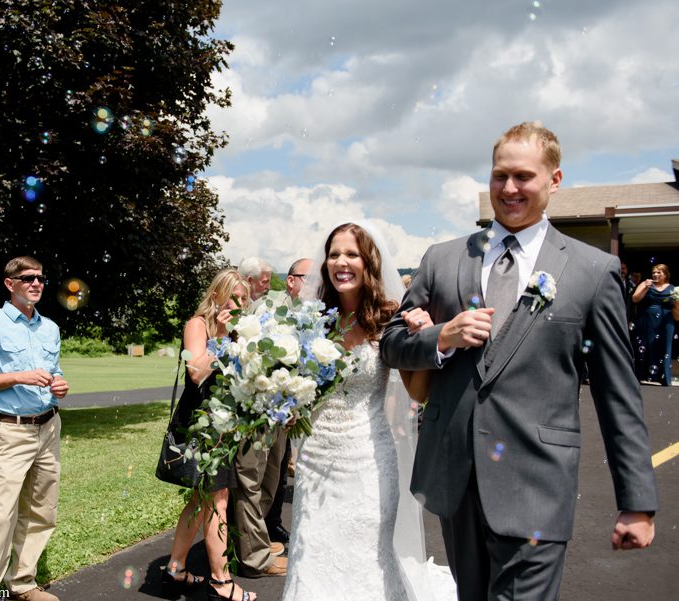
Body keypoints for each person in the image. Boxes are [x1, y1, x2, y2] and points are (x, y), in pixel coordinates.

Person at [381, 122, 658, 600]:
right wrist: (440, 338)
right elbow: (390, 342)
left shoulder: (593, 271)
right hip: (456, 479)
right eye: (499, 175)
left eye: (523, 177)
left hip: (538, 485)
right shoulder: (443, 259)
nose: (509, 188)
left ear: (554, 180)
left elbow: (618, 393)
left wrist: (637, 501)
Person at [280, 223, 455, 601]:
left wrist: (425, 340)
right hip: (315, 460)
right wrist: (286, 406)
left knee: (368, 558)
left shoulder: (390, 318)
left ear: (369, 262)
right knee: (313, 553)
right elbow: (295, 384)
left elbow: (417, 392)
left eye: (351, 254)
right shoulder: (311, 320)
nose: (341, 262)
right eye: (334, 254)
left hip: (370, 459)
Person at [0, 256, 69, 601]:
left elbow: (54, 370)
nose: (36, 283)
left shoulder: (50, 328)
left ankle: (22, 583)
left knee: (42, 511)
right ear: (10, 284)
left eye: (41, 278)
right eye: (28, 278)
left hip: (49, 426)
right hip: (12, 431)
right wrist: (19, 376)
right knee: (2, 515)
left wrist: (60, 384)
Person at [162, 268, 256, 601]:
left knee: (203, 500)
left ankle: (175, 567)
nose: (238, 304)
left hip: (223, 424)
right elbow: (196, 371)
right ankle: (221, 580)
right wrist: (225, 339)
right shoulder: (197, 325)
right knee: (217, 499)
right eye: (233, 297)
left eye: (243, 299)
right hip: (200, 423)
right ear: (216, 296)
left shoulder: (238, 332)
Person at [262, 258, 314, 544]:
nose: (314, 283)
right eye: (309, 277)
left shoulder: (310, 311)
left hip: (295, 401)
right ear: (291, 280)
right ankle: (257, 533)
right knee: (268, 470)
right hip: (270, 401)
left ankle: (273, 523)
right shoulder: (272, 307)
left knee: (282, 468)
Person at [632, 263, 675, 386]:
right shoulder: (646, 284)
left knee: (665, 346)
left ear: (665, 274)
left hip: (666, 320)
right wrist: (645, 287)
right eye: (653, 272)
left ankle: (664, 377)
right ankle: (642, 375)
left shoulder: (673, 288)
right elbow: (635, 299)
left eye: (659, 272)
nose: (655, 274)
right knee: (645, 345)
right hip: (647, 320)